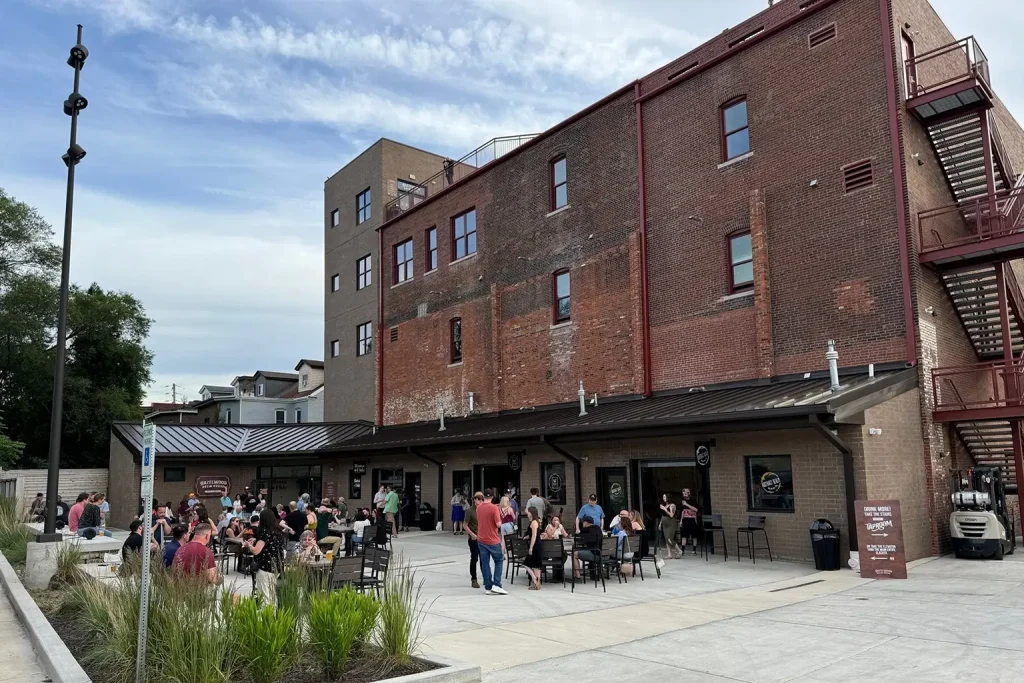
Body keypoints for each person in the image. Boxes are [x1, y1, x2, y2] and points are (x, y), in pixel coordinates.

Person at [245, 508, 286, 602]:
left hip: (265, 566)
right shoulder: (278, 532)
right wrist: (256, 540)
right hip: (276, 566)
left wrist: (249, 545)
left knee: (264, 595)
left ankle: (267, 611)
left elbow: (256, 551)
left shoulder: (264, 533)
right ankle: (273, 610)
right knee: (272, 594)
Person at [476, 490, 507, 595]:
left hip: (481, 539)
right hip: (493, 539)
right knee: (499, 561)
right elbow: (498, 524)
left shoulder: (479, 507)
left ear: (483, 497)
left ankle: (488, 586)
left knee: (485, 563)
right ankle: (497, 585)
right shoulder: (494, 508)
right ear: (492, 497)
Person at [573, 516, 602, 580]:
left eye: (583, 522)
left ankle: (577, 576)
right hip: (601, 554)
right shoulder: (598, 528)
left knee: (574, 554)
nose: (582, 524)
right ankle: (593, 573)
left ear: (586, 522)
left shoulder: (586, 530)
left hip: (594, 554)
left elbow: (579, 541)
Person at [523, 507, 544, 591]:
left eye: (528, 512)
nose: (527, 513)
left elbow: (534, 535)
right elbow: (532, 534)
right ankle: (536, 583)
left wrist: (531, 547)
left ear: (531, 512)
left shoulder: (534, 522)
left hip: (536, 545)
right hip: (537, 545)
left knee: (527, 564)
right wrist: (527, 536)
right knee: (535, 566)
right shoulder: (534, 522)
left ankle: (535, 580)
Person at [464, 492, 482, 589]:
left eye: (481, 499)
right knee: (474, 558)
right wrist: (472, 534)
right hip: (474, 538)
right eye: (477, 499)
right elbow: (465, 525)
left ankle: (487, 578)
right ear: (474, 499)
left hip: (483, 538)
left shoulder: (483, 510)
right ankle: (474, 579)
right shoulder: (470, 511)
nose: (479, 501)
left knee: (484, 558)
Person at [659, 493, 682, 559]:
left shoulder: (672, 505)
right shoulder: (664, 505)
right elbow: (662, 515)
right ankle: (669, 554)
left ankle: (679, 551)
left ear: (668, 497)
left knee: (670, 539)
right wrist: (660, 523)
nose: (663, 498)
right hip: (664, 523)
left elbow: (671, 515)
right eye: (663, 497)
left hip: (671, 523)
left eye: (665, 497)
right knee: (666, 539)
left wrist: (665, 509)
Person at [679, 488, 699, 556]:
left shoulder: (693, 500)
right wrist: (681, 520)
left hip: (692, 519)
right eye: (683, 494)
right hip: (685, 519)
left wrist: (686, 504)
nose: (684, 495)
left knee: (694, 536)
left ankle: (694, 551)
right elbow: (683, 511)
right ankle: (683, 551)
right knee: (684, 535)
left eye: (685, 494)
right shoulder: (683, 500)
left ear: (689, 493)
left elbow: (696, 509)